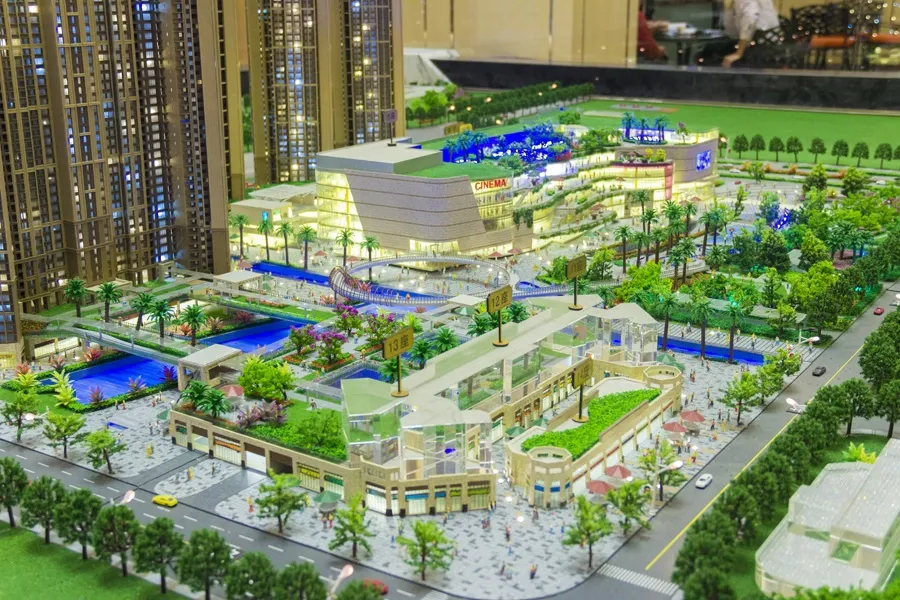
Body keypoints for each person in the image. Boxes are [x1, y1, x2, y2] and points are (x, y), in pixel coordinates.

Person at [697, 0, 780, 67]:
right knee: (709, 51)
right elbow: (731, 28)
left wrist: (738, 53)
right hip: (754, 43)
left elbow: (751, 17)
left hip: (762, 46)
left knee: (710, 57)